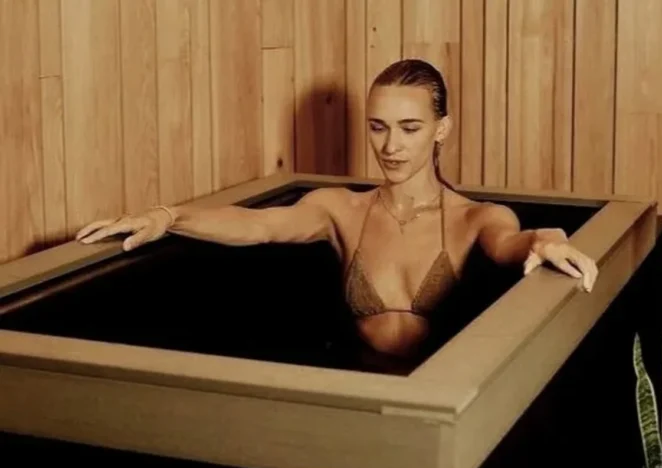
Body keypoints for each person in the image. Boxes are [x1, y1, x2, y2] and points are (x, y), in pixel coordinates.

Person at [75, 58, 598, 359]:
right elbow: (256, 225)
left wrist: (544, 240)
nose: (390, 146)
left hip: (440, 407)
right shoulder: (340, 210)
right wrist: (166, 217)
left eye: (409, 128)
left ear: (442, 129)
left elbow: (511, 242)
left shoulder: (474, 218)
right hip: (357, 396)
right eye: (378, 126)